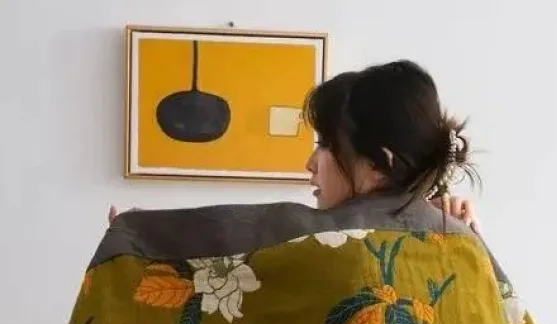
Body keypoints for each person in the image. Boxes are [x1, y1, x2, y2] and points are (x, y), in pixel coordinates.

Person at [109, 60, 480, 232]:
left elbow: (237, 235)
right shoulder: (454, 237)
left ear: (378, 164)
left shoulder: (309, 239)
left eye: (326, 144)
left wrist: (145, 237)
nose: (310, 163)